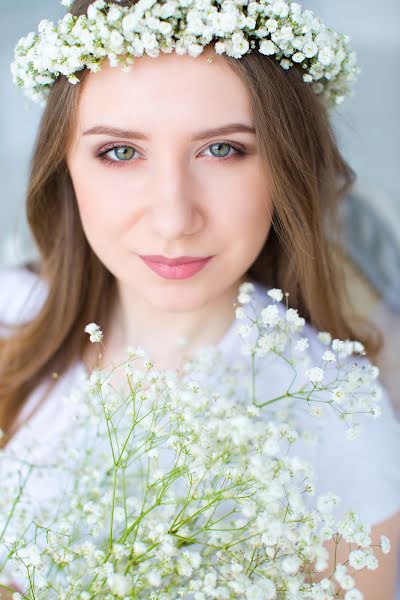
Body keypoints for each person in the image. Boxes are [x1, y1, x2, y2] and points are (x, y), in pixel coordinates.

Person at [1, 0, 399, 597]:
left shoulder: (335, 412)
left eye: (223, 150)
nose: (173, 218)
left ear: (285, 166)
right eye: (120, 152)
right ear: (66, 167)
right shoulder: (7, 320)